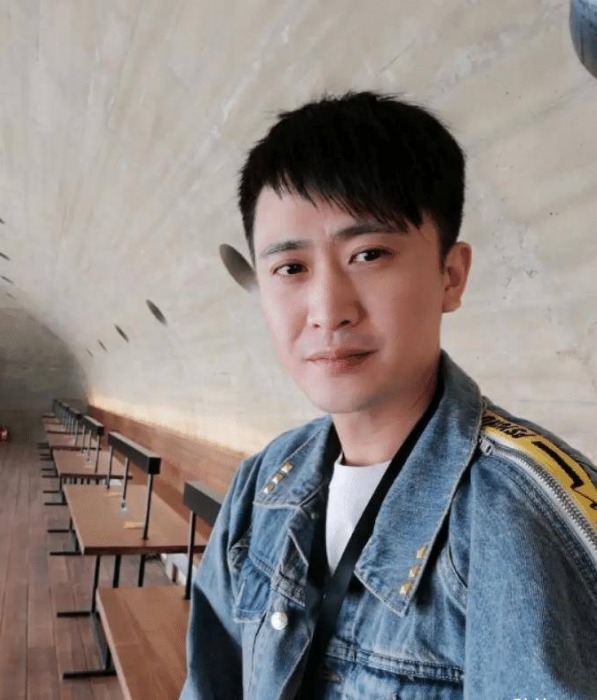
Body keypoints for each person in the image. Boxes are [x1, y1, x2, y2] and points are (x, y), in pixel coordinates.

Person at [180, 90, 597, 699]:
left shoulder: (519, 513)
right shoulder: (263, 483)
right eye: (291, 268)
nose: (328, 310)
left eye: (368, 254)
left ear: (451, 275)